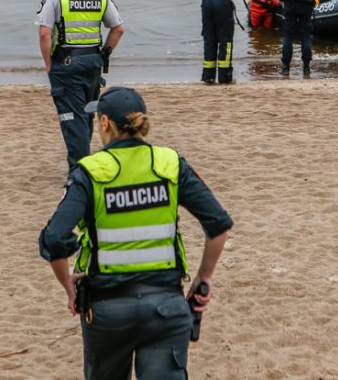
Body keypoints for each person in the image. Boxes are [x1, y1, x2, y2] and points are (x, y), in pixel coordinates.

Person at [38, 86, 233, 380]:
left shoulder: (90, 172)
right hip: (166, 306)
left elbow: (54, 239)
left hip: (107, 310)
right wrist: (202, 279)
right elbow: (218, 226)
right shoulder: (169, 163)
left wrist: (69, 286)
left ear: (104, 123)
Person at [36, 0, 125, 172]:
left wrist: (47, 62)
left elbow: (45, 33)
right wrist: (105, 53)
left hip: (66, 63)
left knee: (71, 117)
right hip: (93, 62)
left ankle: (80, 171)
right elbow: (118, 29)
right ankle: (83, 162)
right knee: (86, 113)